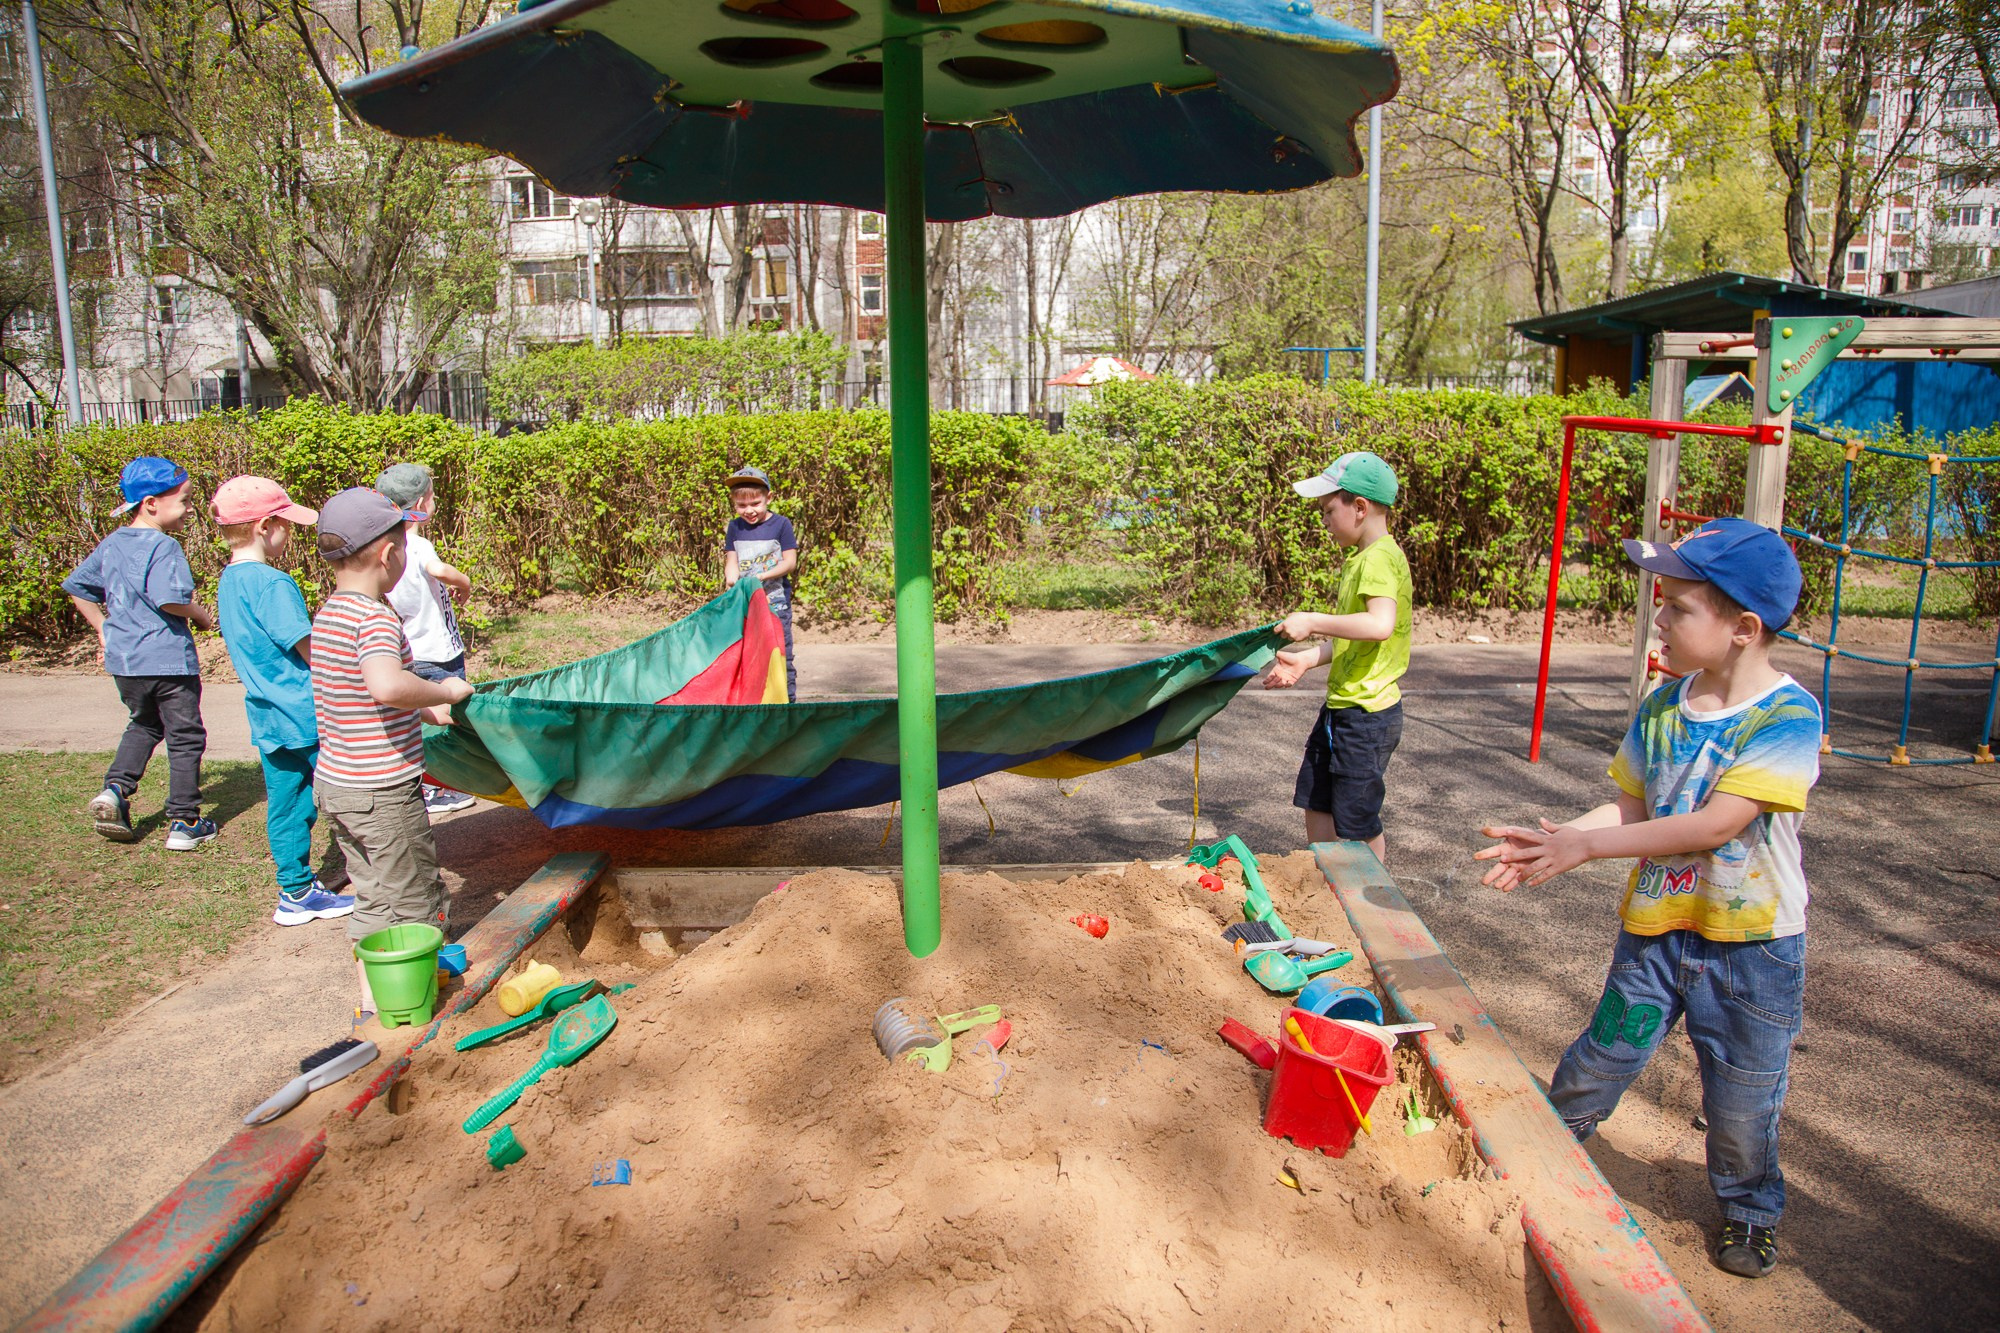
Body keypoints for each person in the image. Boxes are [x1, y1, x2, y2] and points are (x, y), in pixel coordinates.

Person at [1475, 517, 1820, 1280]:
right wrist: (1561, 838)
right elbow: (1633, 807)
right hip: (1658, 932)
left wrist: (1589, 847)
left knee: (1740, 1102)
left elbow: (1715, 823)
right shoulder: (1665, 705)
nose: (1657, 618)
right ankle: (1549, 1142)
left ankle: (1751, 1207)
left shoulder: (1787, 717)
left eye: (1677, 606)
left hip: (1753, 952)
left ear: (1743, 627)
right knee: (1603, 1051)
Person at [310, 488, 474, 1022]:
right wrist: (444, 692)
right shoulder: (375, 619)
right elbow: (385, 685)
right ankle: (419, 1005)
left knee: (374, 894)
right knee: (415, 899)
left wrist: (423, 714)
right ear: (389, 554)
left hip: (339, 785)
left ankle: (371, 997)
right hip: (381, 791)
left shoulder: (331, 613)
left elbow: (355, 691)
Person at [211, 475, 357, 927]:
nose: (289, 534)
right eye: (286, 525)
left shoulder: (228, 582)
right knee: (352, 791)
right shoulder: (273, 584)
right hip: (306, 711)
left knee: (288, 803)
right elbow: (308, 648)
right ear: (264, 526)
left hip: (267, 714)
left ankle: (294, 891)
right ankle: (378, 876)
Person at [1261, 451, 1412, 863]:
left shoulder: (1378, 558)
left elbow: (1379, 624)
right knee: (1316, 800)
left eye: (1329, 510)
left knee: (1357, 822)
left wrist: (1311, 619)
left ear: (1359, 508)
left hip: (1366, 717)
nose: (1324, 521)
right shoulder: (1362, 559)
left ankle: (1372, 906)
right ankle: (1331, 887)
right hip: (1344, 708)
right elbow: (1360, 636)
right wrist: (1310, 657)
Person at [62, 456, 219, 850]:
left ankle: (115, 790)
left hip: (127, 663)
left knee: (144, 725)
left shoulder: (113, 543)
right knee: (185, 736)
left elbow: (78, 589)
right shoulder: (164, 546)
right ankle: (184, 821)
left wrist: (103, 630)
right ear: (151, 503)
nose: (188, 509)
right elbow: (169, 600)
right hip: (168, 661)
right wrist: (200, 614)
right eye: (183, 501)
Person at [374, 462, 474, 815]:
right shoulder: (415, 544)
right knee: (450, 715)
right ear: (420, 504)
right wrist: (464, 582)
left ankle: (431, 783)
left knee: (423, 716)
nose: (435, 503)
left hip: (414, 649)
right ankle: (445, 783)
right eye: (432, 498)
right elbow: (439, 570)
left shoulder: (387, 548)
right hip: (438, 651)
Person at [721, 465, 799, 701]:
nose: (749, 510)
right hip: (747, 607)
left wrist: (761, 577)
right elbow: (731, 561)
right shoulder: (735, 527)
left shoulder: (781, 525)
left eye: (756, 503)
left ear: (769, 497)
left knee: (780, 655)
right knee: (749, 655)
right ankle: (753, 703)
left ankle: (788, 705)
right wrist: (731, 582)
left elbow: (790, 562)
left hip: (775, 605)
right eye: (742, 505)